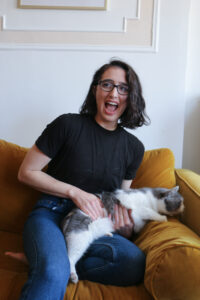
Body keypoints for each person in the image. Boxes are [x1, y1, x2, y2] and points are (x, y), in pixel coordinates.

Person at [10, 59, 149, 300]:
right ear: (95, 89)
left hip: (92, 227)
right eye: (107, 84)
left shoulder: (134, 148)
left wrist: (125, 225)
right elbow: (26, 172)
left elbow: (120, 202)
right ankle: (50, 264)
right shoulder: (67, 125)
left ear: (131, 97)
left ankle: (45, 259)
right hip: (52, 215)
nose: (114, 92)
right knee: (53, 273)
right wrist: (75, 193)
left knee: (134, 263)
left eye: (123, 88)